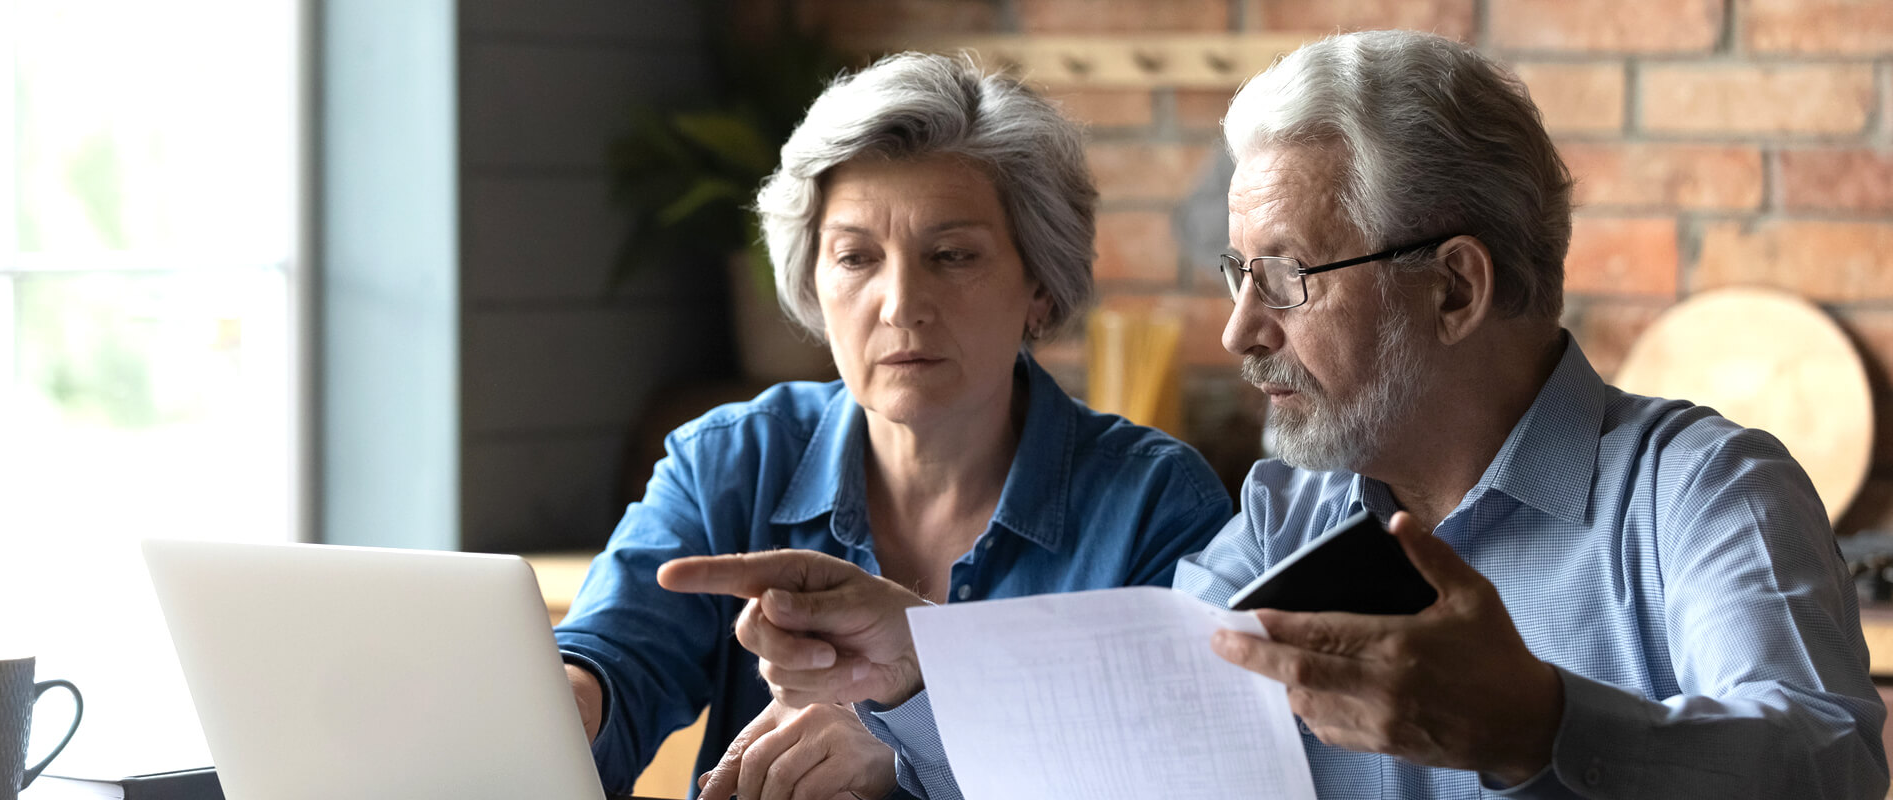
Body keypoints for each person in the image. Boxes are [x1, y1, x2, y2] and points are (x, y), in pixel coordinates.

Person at [662, 30, 1890, 799]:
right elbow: (1125, 737)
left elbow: (1830, 762)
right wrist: (923, 663)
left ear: (1455, 286)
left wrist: (1541, 723)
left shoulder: (1699, 488)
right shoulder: (1283, 513)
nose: (1242, 332)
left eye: (1288, 277)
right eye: (1234, 275)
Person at [555, 51, 1233, 799]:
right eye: (856, 257)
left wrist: (915, 748)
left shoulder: (1156, 504)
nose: (900, 303)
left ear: (1039, 286)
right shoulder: (730, 460)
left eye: (951, 255)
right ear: (813, 282)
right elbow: (613, 662)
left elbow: (1184, 773)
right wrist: (568, 702)